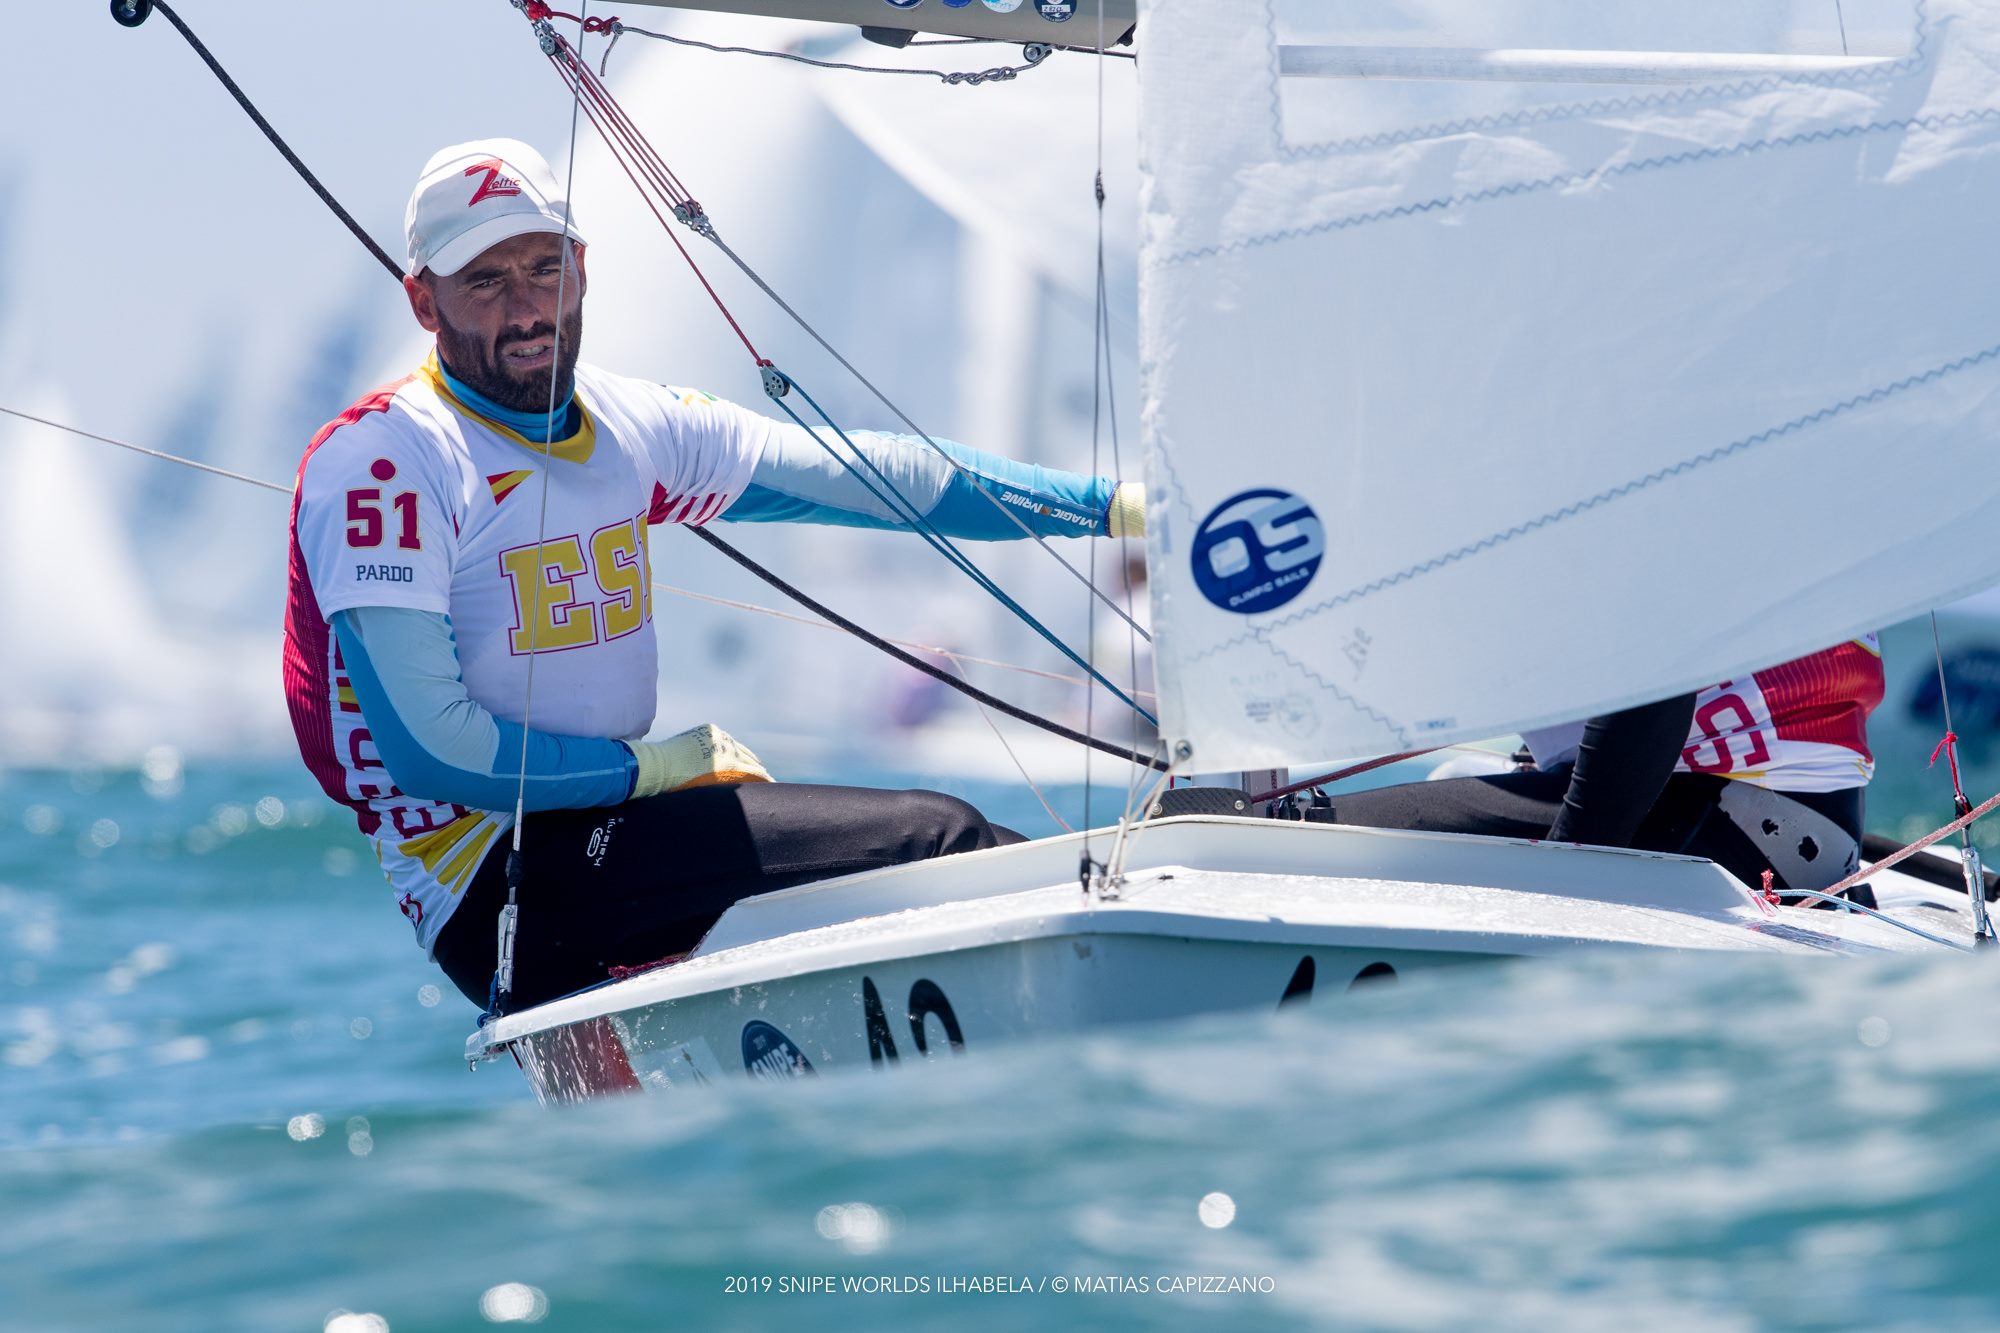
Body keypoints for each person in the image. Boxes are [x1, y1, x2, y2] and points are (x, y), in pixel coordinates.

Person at [283, 139, 1146, 1010]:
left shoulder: (630, 425)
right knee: (939, 838)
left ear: (582, 267)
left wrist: (1115, 508)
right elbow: (436, 750)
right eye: (486, 282)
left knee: (994, 847)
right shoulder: (386, 462)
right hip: (494, 882)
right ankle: (1114, 1005)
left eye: (545, 268)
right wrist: (654, 769)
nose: (527, 308)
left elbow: (873, 475)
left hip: (614, 831)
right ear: (424, 302)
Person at [1303, 638, 1885, 902]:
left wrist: (1566, 874)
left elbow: (1661, 672)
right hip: (1804, 831)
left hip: (1713, 818)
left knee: (1303, 837)